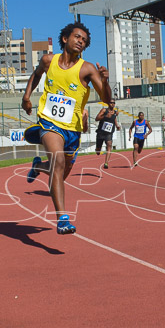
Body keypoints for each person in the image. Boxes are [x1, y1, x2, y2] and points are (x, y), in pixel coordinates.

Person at [22, 21, 112, 236]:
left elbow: (107, 99)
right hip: (49, 122)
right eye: (77, 37)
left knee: (61, 173)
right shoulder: (47, 61)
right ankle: (63, 218)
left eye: (84, 40)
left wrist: (105, 82)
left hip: (73, 129)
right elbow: (35, 75)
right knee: (58, 161)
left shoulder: (87, 69)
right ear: (65, 39)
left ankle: (38, 167)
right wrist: (26, 97)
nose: (81, 41)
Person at [94, 100, 120, 169]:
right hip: (101, 132)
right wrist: (105, 116)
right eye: (111, 102)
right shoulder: (104, 110)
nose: (112, 104)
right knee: (98, 151)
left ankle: (106, 163)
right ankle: (97, 149)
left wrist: (117, 125)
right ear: (108, 104)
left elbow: (114, 118)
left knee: (109, 144)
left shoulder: (115, 112)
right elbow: (96, 118)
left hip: (109, 132)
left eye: (113, 103)